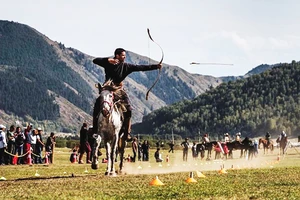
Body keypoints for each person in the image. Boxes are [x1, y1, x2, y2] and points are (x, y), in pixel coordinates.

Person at [92, 48, 162, 142]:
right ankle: (95, 131)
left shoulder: (126, 66)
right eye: (123, 55)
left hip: (119, 90)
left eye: (124, 56)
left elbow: (140, 67)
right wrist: (108, 60)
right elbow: (95, 60)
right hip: (107, 88)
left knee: (128, 109)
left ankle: (126, 133)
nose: (124, 57)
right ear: (117, 55)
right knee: (97, 105)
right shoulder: (108, 63)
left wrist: (156, 66)